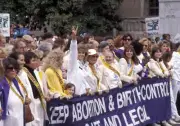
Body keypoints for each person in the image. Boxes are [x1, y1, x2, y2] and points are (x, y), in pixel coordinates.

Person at [23, 51, 47, 126]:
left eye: (36, 59)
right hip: (31, 104)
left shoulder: (36, 72)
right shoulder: (22, 74)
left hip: (39, 102)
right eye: (33, 60)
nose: (36, 62)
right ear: (26, 62)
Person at [0, 58, 24, 126]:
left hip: (19, 117)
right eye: (10, 68)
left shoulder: (16, 82)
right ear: (4, 69)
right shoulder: (1, 84)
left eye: (16, 68)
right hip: (7, 120)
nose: (14, 70)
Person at [67, 26, 90, 95]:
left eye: (83, 53)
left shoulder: (85, 65)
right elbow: (73, 52)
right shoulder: (73, 63)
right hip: (74, 96)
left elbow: (84, 80)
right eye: (79, 52)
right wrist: (74, 39)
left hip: (84, 96)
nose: (81, 54)